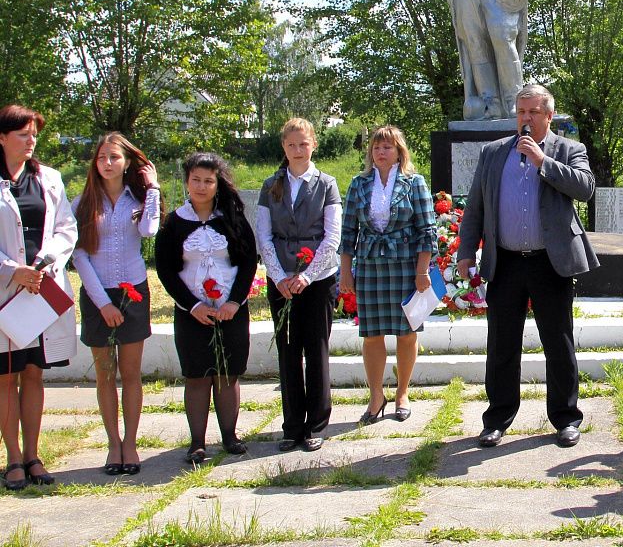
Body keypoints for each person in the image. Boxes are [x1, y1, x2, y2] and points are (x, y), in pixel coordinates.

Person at [457, 84, 598, 449]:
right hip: (504, 263)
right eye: (521, 112)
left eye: (533, 112)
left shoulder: (570, 149)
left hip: (549, 263)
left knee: (558, 342)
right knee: (502, 344)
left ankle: (566, 419)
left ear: (549, 116)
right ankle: (497, 419)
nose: (526, 119)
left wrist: (541, 162)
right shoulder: (492, 153)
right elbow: (475, 207)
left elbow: (585, 188)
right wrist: (466, 251)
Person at [155, 153, 258, 465]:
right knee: (197, 376)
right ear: (187, 181)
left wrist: (232, 302)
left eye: (208, 181)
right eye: (196, 180)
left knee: (228, 374)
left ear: (218, 184)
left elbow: (248, 262)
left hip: (230, 310)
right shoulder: (173, 223)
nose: (201, 186)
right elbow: (166, 271)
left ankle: (230, 436)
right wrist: (193, 306)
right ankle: (197, 443)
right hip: (192, 313)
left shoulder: (233, 220)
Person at [73, 133, 162, 476]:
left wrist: (152, 188)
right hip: (98, 295)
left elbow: (150, 231)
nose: (107, 163)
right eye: (101, 158)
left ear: (127, 162)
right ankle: (113, 444)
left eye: (114, 157)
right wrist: (102, 303)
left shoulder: (137, 198)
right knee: (105, 374)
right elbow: (79, 255)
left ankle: (131, 443)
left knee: (131, 373)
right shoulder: (82, 202)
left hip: (133, 292)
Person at [0, 105, 77, 490]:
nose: (31, 141)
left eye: (34, 135)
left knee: (33, 374)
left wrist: (45, 263)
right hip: (6, 290)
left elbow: (66, 227)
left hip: (41, 289)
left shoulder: (49, 178)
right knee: (5, 376)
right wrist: (12, 270)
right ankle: (12, 459)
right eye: (22, 135)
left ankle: (33, 455)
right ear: (1, 137)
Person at [255, 118, 342, 452]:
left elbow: (331, 236)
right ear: (284, 147)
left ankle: (316, 425)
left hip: (317, 279)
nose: (297, 150)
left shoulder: (327, 184)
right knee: (288, 352)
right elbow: (264, 235)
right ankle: (292, 425)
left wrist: (306, 275)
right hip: (282, 282)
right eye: (291, 145)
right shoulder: (271, 185)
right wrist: (279, 278)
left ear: (313, 144)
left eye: (303, 144)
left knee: (316, 351)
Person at [339, 126, 435, 426]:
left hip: (405, 267)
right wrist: (345, 270)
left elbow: (427, 230)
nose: (381, 152)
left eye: (388, 147)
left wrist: (422, 271)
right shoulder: (358, 183)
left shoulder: (414, 183)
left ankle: (403, 393)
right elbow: (348, 231)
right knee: (371, 335)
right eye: (377, 147)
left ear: (399, 152)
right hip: (370, 267)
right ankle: (376, 395)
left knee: (407, 333)